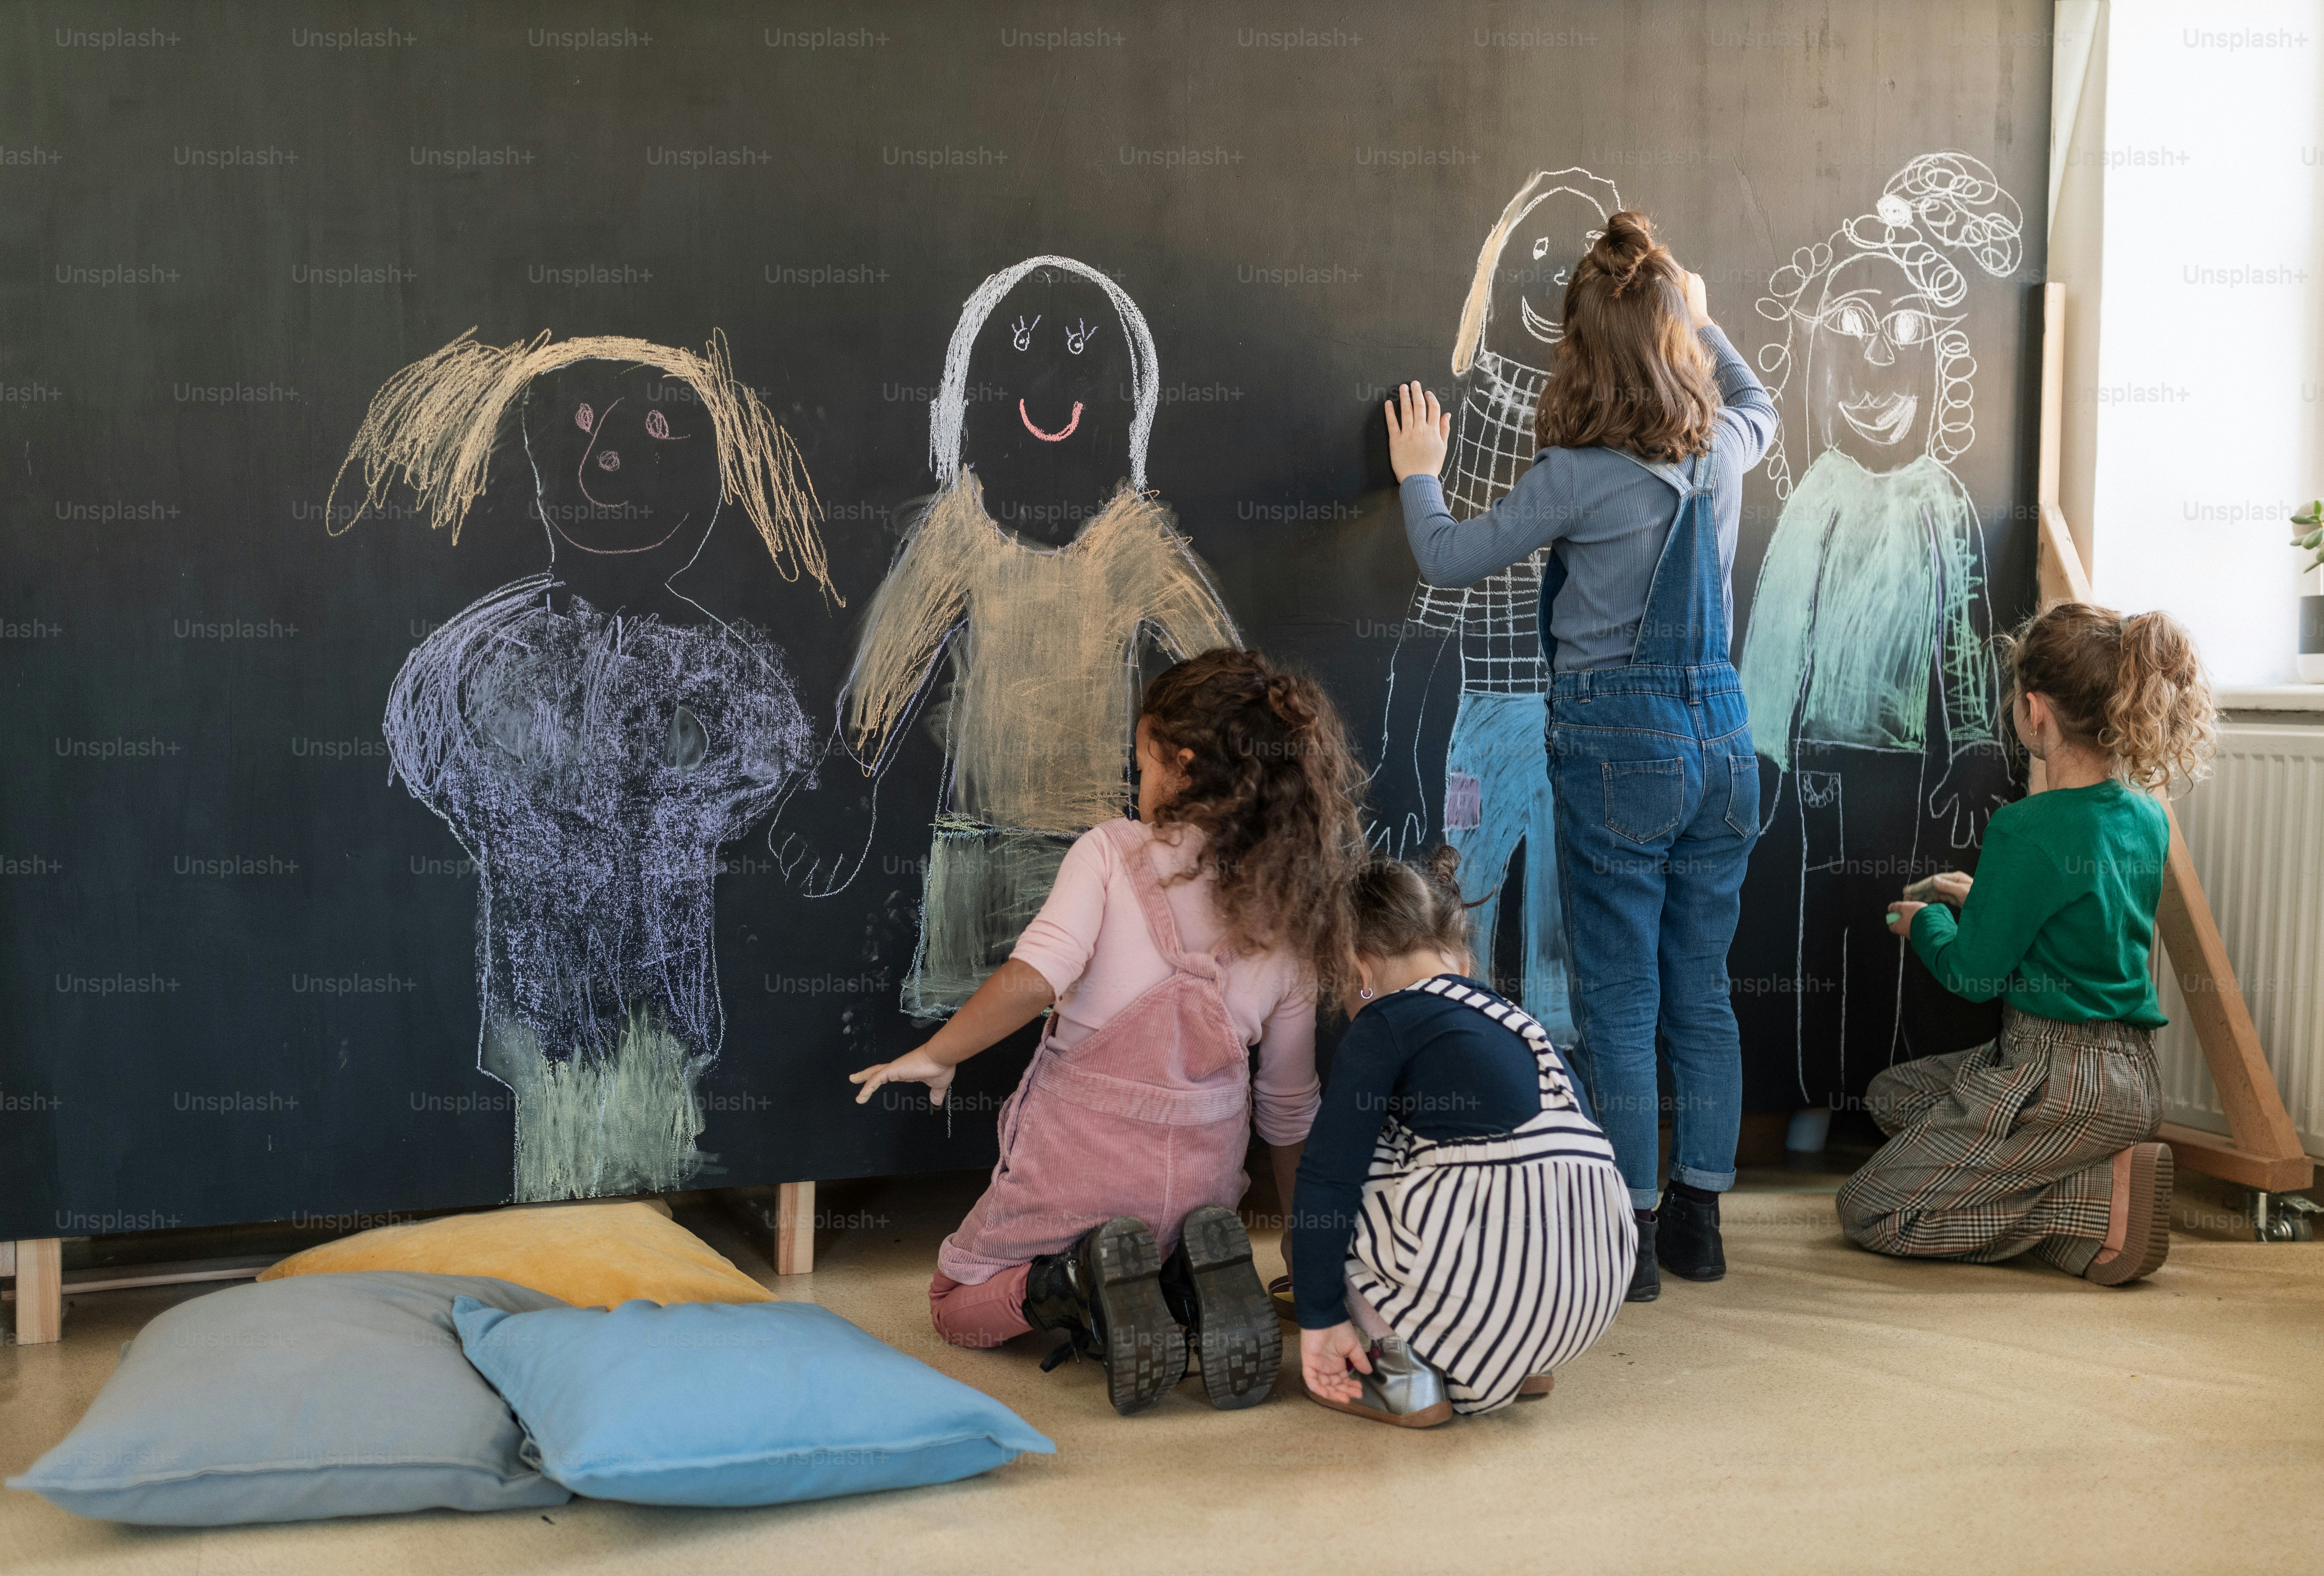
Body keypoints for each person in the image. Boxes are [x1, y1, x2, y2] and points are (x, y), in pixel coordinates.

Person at [329, 330, 831, 1202]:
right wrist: (519, 816)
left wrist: (676, 812)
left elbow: (770, 753)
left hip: (659, 994)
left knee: (644, 1140)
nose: (608, 466)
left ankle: (638, 1251)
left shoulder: (716, 663)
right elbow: (425, 740)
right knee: (553, 1146)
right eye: (586, 429)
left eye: (660, 437)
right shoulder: (486, 650)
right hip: (534, 990)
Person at [1386, 211, 1779, 1301]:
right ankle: (1701, 1217)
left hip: (1619, 744)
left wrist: (1421, 469)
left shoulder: (1574, 473)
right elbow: (1759, 401)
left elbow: (1445, 553)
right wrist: (1705, 318)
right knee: (1698, 990)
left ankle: (1634, 1234)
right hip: (1718, 737)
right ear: (1673, 341)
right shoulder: (1726, 448)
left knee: (1615, 992)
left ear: (1577, 350)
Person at [847, 648, 1367, 1416]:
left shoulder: (1111, 852)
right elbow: (1289, 1109)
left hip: (1076, 1171)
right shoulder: (1291, 915)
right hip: (1201, 1184)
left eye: (1145, 763)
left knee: (952, 1301)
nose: (1140, 784)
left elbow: (1033, 980)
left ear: (1183, 764)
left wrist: (936, 1053)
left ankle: (1070, 1279)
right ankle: (1183, 1275)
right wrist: (1302, 1247)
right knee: (1175, 1226)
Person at [1836, 603, 2217, 1285]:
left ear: (2034, 711)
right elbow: (2078, 919)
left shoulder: (2024, 827)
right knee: (1893, 1095)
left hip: (2056, 1074)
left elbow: (1974, 974)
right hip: (2129, 1070)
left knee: (1870, 1207)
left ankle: (2090, 1206)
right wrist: (1983, 897)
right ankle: (2095, 1166)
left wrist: (1924, 924)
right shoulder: (2146, 815)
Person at [1290, 850, 1633, 1426]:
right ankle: (1518, 1360)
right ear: (1455, 954)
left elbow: (1327, 1176)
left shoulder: (1385, 1021)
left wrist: (1318, 1314)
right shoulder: (1520, 1023)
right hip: (1591, 1297)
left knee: (1350, 1168)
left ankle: (1401, 1375)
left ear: (1360, 968)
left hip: (1487, 1281)